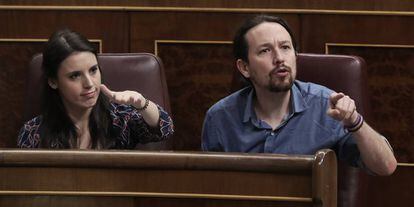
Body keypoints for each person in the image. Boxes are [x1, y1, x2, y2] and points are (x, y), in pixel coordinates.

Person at [201, 15, 396, 175]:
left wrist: (355, 122)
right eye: (265, 50)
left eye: (285, 47)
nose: (279, 58)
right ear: (244, 67)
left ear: (295, 55)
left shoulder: (326, 106)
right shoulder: (220, 117)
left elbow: (386, 167)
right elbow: (211, 187)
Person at [18, 29, 174, 149]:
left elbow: (164, 128)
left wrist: (141, 103)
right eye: (75, 76)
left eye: (93, 70)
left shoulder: (119, 118)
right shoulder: (34, 133)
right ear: (53, 82)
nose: (89, 83)